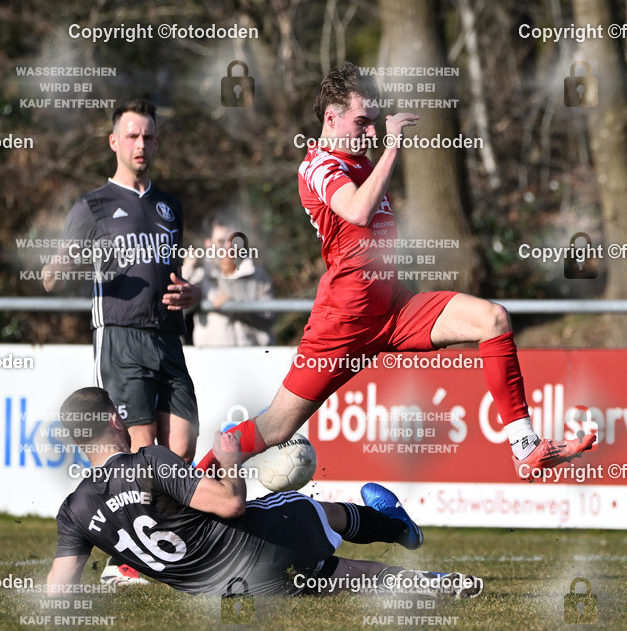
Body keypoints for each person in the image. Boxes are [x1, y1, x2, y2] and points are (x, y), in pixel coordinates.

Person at [196, 64, 595, 480]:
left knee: (493, 318)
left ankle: (525, 445)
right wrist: (391, 147)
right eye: (362, 123)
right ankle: (192, 481)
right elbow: (357, 210)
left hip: (395, 308)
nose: (371, 133)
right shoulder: (317, 166)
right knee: (275, 427)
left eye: (374, 124)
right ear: (331, 119)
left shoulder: (364, 163)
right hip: (343, 324)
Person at [47, 387, 483, 598]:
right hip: (256, 545)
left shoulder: (74, 510)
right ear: (115, 420)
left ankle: (430, 584)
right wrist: (231, 458)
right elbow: (231, 503)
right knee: (310, 509)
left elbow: (57, 588)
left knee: (331, 572)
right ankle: (397, 528)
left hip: (232, 592)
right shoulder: (151, 461)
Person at [42, 100, 202, 585]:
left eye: (149, 137)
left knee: (181, 448)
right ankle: (124, 558)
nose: (141, 145)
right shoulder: (91, 206)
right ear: (114, 141)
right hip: (120, 335)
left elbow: (177, 276)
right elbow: (51, 276)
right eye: (132, 136)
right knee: (142, 448)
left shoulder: (170, 205)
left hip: (169, 336)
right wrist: (64, 264)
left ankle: (151, 544)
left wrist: (192, 294)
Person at [182, 210, 275, 347]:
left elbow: (270, 319)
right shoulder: (199, 274)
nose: (229, 247)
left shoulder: (259, 276)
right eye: (221, 241)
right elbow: (176, 308)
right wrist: (187, 269)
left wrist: (236, 307)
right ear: (208, 244)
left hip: (255, 360)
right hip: (211, 360)